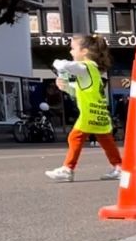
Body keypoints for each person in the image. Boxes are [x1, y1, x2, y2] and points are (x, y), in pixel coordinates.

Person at [45, 35, 122, 182]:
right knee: (106, 140)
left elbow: (63, 65)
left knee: (75, 137)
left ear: (84, 51)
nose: (70, 52)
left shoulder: (84, 67)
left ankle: (68, 169)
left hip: (89, 112)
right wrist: (66, 86)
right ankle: (119, 167)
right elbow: (79, 90)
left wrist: (57, 63)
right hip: (100, 112)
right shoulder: (94, 71)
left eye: (73, 48)